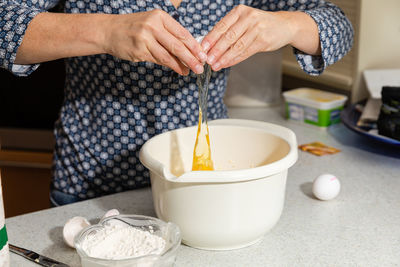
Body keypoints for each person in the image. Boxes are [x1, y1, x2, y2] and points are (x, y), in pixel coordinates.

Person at [0, 0, 353, 206]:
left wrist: (288, 25)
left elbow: (338, 27)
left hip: (205, 185)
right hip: (94, 186)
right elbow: (5, 23)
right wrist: (106, 31)